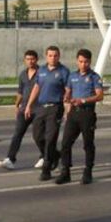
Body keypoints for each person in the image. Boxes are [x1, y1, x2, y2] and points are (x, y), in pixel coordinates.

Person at [55, 49, 104, 185]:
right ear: (77, 61)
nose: (83, 64)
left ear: (90, 62)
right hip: (73, 113)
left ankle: (88, 171)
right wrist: (67, 99)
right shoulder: (72, 76)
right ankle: (66, 171)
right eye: (81, 61)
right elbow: (68, 92)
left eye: (86, 62)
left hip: (87, 113)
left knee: (87, 144)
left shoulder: (94, 77)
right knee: (65, 143)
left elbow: (100, 95)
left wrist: (83, 100)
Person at [24, 46, 70, 181]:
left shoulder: (63, 71)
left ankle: (47, 168)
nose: (53, 58)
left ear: (59, 56)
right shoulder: (42, 70)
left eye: (55, 55)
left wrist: (67, 109)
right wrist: (28, 105)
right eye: (50, 55)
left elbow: (68, 90)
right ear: (46, 56)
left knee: (51, 139)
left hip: (55, 108)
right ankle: (55, 155)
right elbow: (37, 87)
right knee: (37, 136)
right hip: (41, 108)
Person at [0, 50, 42, 170]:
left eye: (32, 59)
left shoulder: (42, 73)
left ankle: (45, 156)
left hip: (39, 109)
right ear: (24, 60)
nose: (30, 61)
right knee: (17, 134)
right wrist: (17, 105)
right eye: (28, 59)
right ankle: (10, 159)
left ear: (37, 59)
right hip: (24, 109)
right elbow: (20, 92)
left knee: (38, 136)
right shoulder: (23, 74)